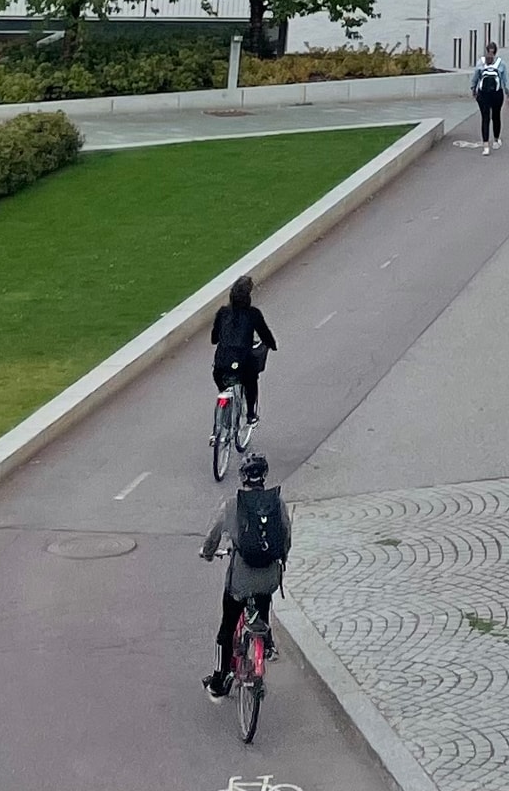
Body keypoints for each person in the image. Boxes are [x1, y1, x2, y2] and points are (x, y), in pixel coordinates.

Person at [199, 451, 292, 698]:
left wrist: (207, 553)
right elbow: (285, 538)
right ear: (264, 476)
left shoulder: (231, 505)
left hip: (240, 580)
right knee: (263, 598)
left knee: (227, 628)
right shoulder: (277, 503)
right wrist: (281, 560)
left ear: (242, 477)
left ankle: (219, 680)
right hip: (270, 576)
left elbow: (213, 536)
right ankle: (266, 642)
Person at [209, 270, 275, 431]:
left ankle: (218, 425)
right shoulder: (253, 314)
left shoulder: (223, 313)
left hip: (221, 365)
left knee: (223, 388)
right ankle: (251, 415)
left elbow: (214, 339)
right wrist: (272, 345)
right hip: (243, 364)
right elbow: (265, 334)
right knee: (251, 382)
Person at [471, 37, 509, 152]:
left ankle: (486, 146)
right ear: (496, 51)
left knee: (485, 118)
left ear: (486, 50)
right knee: (496, 116)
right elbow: (505, 80)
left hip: (483, 94)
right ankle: (496, 140)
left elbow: (475, 78)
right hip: (497, 94)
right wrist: (508, 93)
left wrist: (473, 90)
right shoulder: (501, 63)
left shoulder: (480, 62)